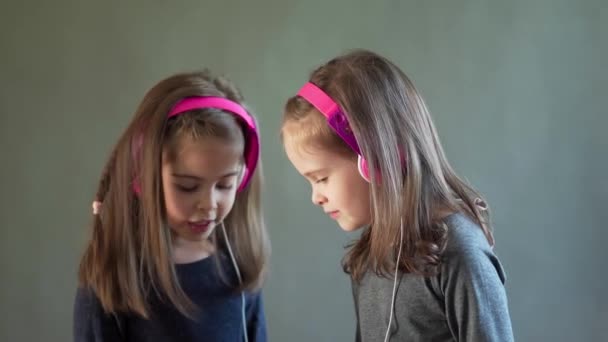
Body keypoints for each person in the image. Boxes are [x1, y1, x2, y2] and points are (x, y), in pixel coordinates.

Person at [281, 49, 514, 341]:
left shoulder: (459, 254)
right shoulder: (369, 258)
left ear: (375, 159)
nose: (316, 196)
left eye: (322, 178)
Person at [74, 70, 270, 342]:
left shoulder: (237, 267)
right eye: (187, 187)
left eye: (225, 185)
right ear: (142, 177)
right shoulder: (113, 276)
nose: (209, 205)